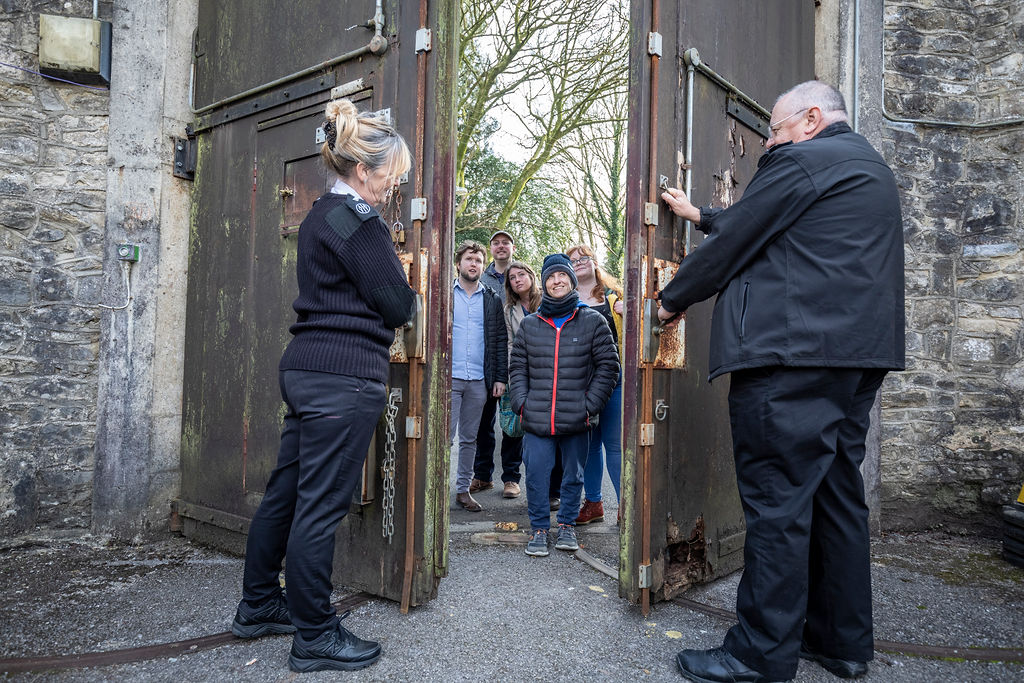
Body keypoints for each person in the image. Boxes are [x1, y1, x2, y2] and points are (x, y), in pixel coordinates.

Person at [658, 81, 904, 682]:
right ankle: (842, 640)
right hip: (854, 357)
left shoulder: (803, 159)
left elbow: (743, 236)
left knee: (777, 504)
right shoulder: (866, 167)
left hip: (791, 357)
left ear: (811, 119)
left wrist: (670, 300)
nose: (770, 140)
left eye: (773, 129)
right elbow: (761, 218)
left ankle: (759, 655)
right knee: (835, 494)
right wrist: (701, 213)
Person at [231, 98, 416, 673]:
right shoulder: (358, 223)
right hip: (344, 375)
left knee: (286, 492)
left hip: (307, 368)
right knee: (319, 506)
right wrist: (406, 286)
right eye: (391, 176)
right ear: (363, 170)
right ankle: (314, 633)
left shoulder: (317, 214)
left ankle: (259, 602)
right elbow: (399, 303)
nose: (393, 187)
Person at [509, 253, 619, 557]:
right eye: (551, 277)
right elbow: (517, 367)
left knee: (574, 476)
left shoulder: (593, 321)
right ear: (544, 283)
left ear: (571, 280)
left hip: (577, 418)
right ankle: (540, 529)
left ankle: (567, 525)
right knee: (537, 475)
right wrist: (522, 404)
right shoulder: (531, 325)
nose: (557, 281)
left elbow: (609, 367)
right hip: (537, 418)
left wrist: (590, 405)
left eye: (562, 276)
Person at [565, 244, 624, 526]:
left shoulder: (615, 297)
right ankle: (594, 503)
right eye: (573, 260)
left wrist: (628, 312)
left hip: (613, 378)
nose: (579, 263)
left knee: (614, 444)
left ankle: (627, 504)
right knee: (589, 446)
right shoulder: (564, 299)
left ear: (594, 261)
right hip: (581, 382)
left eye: (583, 258)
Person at [451, 240, 508, 512]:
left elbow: (498, 341)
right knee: (444, 437)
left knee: (470, 439)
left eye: (477, 260)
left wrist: (499, 378)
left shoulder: (491, 299)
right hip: (448, 378)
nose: (473, 264)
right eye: (468, 259)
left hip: (477, 380)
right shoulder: (445, 294)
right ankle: (437, 490)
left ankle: (463, 491)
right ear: (458, 264)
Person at [470, 229, 517, 495]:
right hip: (486, 357)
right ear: (491, 249)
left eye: (505, 243)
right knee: (483, 422)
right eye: (496, 243)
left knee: (512, 423)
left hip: (514, 358)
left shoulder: (520, 275)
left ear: (512, 247)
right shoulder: (481, 277)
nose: (500, 247)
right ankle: (482, 475)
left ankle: (511, 478)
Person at [495, 260, 542, 498]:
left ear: (531, 276)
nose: (517, 280)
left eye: (521, 275)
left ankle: (542, 483)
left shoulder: (546, 302)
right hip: (519, 373)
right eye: (512, 278)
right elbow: (510, 343)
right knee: (512, 429)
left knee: (541, 430)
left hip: (546, 374)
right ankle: (511, 480)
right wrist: (514, 372)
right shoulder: (508, 310)